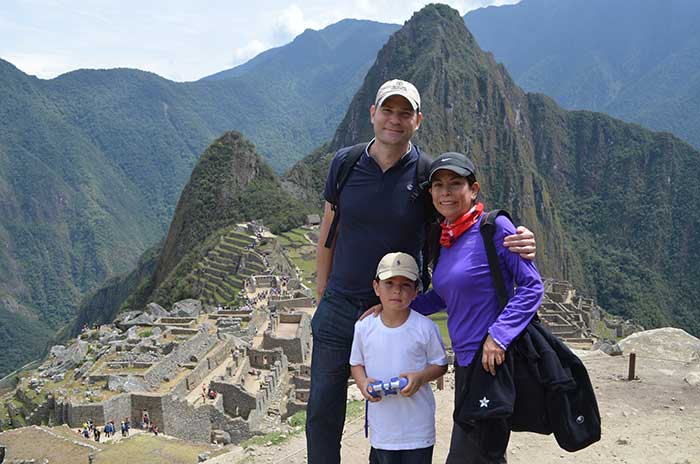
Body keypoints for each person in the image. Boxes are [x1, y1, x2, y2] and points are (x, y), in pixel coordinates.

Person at [306, 79, 537, 463]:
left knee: (398, 400)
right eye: (387, 110)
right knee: (322, 407)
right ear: (372, 114)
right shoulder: (344, 163)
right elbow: (330, 225)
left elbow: (463, 214)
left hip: (401, 304)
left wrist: (517, 235)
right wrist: (322, 289)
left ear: (418, 120)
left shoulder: (427, 172)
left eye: (404, 113)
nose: (394, 120)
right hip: (342, 302)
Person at [409, 152, 544, 463]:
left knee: (473, 454)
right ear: (430, 193)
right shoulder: (446, 238)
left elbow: (531, 286)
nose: (446, 192)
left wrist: (498, 336)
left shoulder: (494, 228)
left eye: (455, 184)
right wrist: (399, 307)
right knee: (486, 454)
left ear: (473, 189)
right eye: (438, 185)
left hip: (491, 362)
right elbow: (446, 296)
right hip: (467, 363)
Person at [350, 252, 447, 464]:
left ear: (416, 291)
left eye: (405, 285)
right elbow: (356, 362)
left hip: (418, 431)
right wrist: (363, 383)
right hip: (383, 430)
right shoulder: (364, 328)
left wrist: (420, 377)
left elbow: (440, 365)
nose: (396, 290)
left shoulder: (425, 328)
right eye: (389, 283)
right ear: (376, 287)